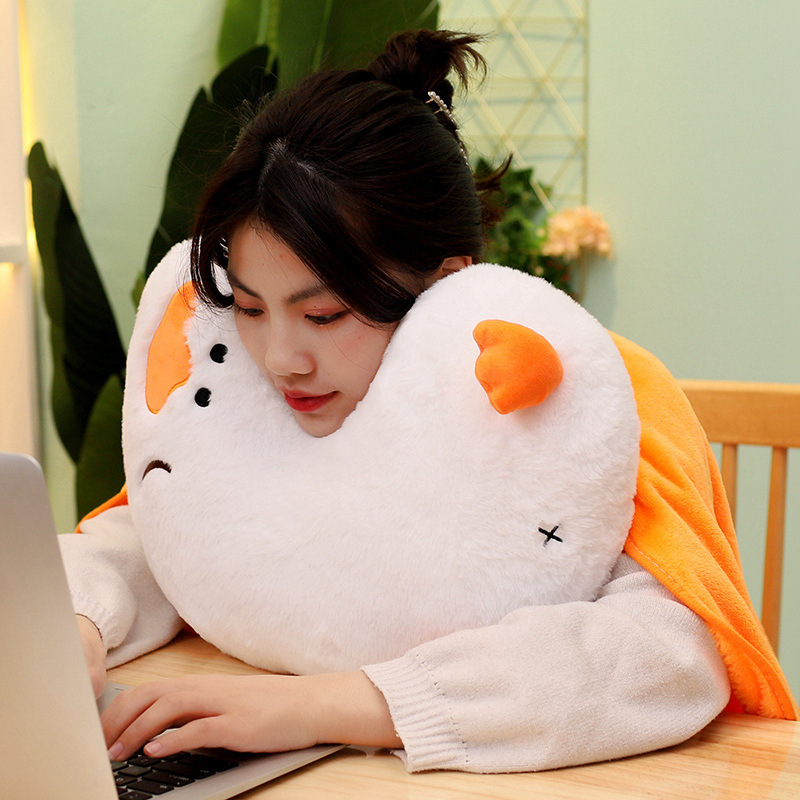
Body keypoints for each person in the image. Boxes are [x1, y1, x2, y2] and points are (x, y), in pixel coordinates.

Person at [61, 29, 795, 775]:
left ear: (446, 280)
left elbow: (667, 657)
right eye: (250, 308)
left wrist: (328, 706)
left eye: (324, 315)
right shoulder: (253, 376)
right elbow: (169, 532)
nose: (281, 358)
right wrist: (73, 622)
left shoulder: (570, 400)